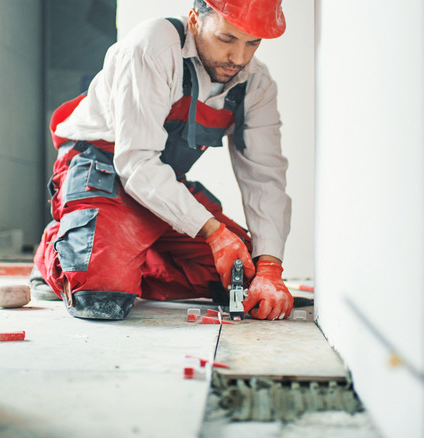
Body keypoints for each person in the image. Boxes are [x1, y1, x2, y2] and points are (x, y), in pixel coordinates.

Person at [34, 0, 293, 321]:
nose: (239, 59)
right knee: (101, 296)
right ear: (196, 20)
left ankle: (117, 248)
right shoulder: (152, 47)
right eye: (226, 39)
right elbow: (136, 162)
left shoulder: (257, 84)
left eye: (252, 43)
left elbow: (265, 177)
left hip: (161, 182)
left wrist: (270, 266)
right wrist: (212, 231)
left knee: (241, 275)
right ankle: (61, 250)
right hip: (101, 167)